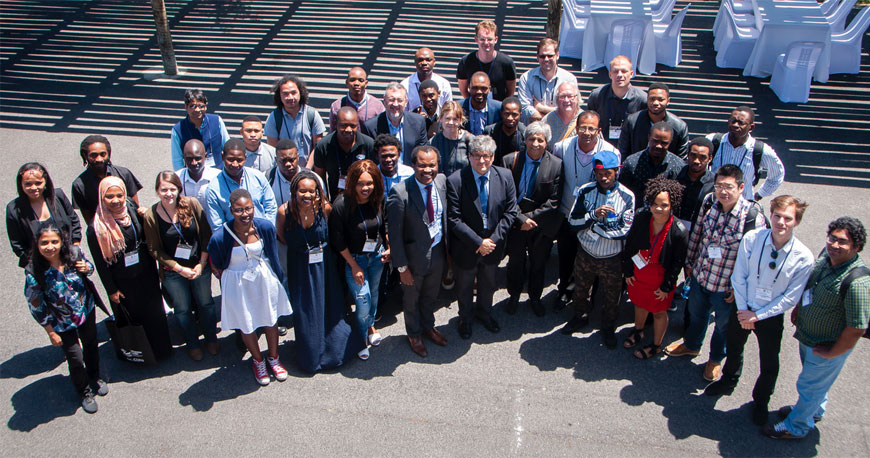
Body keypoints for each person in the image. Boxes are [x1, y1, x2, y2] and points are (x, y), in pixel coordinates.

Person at [704, 196, 814, 426]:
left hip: (770, 315)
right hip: (743, 307)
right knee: (733, 348)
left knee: (770, 362)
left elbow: (791, 297)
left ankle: (761, 401)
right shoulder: (752, 238)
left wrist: (758, 315)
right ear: (770, 215)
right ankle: (729, 380)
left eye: (787, 218)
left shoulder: (803, 257)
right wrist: (744, 310)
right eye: (777, 216)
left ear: (796, 221)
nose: (781, 222)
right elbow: (739, 275)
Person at [763, 217, 870, 439]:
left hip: (827, 346)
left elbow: (856, 328)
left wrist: (833, 353)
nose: (834, 245)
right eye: (832, 238)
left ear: (856, 247)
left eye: (843, 242)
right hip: (809, 337)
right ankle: (813, 411)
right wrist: (800, 309)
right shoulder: (827, 256)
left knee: (809, 386)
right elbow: (812, 286)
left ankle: (796, 427)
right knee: (814, 386)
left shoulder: (857, 282)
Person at [665, 165, 768, 383]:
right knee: (696, 316)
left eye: (728, 187)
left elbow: (754, 259)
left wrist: (740, 289)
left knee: (722, 326)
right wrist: (690, 263)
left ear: (741, 187)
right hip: (702, 275)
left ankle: (715, 360)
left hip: (727, 287)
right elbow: (697, 233)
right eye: (719, 185)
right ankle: (691, 346)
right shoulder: (710, 202)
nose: (722, 191)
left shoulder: (752, 216)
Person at [276, 171, 363, 372]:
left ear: (318, 192)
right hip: (299, 265)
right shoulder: (284, 212)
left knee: (329, 304)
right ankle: (310, 354)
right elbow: (282, 237)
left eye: (312, 191)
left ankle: (335, 348)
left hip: (325, 265)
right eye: (302, 191)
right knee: (305, 308)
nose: (307, 195)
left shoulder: (325, 208)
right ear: (294, 191)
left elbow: (333, 236)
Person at [207, 189, 292, 385]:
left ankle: (273, 358)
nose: (245, 214)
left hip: (262, 278)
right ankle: (258, 361)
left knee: (270, 320)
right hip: (237, 283)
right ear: (231, 210)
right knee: (246, 324)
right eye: (239, 210)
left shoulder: (264, 227)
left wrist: (278, 280)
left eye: (248, 209)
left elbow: (272, 254)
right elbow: (218, 263)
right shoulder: (220, 237)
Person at [87, 176, 172, 360]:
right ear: (102, 198)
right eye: (110, 197)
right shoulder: (96, 228)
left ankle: (161, 352)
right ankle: (142, 355)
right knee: (135, 318)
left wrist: (145, 214)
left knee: (155, 313)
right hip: (123, 282)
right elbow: (100, 264)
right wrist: (111, 290)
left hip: (146, 273)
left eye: (119, 195)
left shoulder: (131, 208)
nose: (116, 201)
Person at [25, 223, 107, 414]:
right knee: (75, 358)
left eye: (54, 241)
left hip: (84, 312)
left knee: (91, 345)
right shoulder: (34, 272)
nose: (50, 246)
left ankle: (94, 377)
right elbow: (35, 305)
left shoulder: (73, 255)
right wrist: (50, 332)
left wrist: (86, 268)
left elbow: (90, 268)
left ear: (62, 242)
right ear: (37, 244)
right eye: (44, 242)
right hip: (60, 322)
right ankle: (84, 392)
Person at [561, 149, 635, 348]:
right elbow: (573, 222)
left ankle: (608, 326)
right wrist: (593, 216)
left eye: (608, 173)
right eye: (599, 172)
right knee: (581, 289)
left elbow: (624, 231)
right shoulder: (586, 190)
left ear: (616, 171)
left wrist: (594, 227)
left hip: (612, 256)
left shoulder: (627, 196)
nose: (603, 177)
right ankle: (580, 316)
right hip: (586, 253)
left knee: (612, 295)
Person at [447, 135, 517, 339]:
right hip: (467, 247)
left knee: (488, 284)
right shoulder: (456, 180)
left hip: (493, 245)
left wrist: (492, 240)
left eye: (486, 156)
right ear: (469, 157)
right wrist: (479, 242)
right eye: (477, 156)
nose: (482, 161)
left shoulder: (505, 176)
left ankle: (485, 314)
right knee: (465, 287)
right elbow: (454, 219)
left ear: (493, 157)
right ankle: (465, 319)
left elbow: (511, 212)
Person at [143, 171, 218, 361]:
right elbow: (154, 249)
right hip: (174, 272)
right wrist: (178, 268)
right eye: (163, 190)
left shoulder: (191, 204)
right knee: (182, 309)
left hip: (198, 266)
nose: (168, 194)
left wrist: (201, 264)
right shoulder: (152, 215)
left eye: (172, 189)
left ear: (179, 189)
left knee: (206, 304)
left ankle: (211, 338)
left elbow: (205, 235)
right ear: (157, 191)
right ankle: (192, 343)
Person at [551, 111, 620, 310]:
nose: (587, 132)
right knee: (566, 256)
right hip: (568, 213)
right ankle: (564, 290)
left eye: (592, 128)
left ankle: (589, 297)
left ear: (599, 131)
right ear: (576, 128)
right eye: (583, 127)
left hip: (594, 217)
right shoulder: (561, 147)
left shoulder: (611, 152)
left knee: (592, 259)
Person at [386, 145, 450, 357]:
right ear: (413, 165)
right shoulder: (400, 192)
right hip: (412, 260)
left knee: (431, 296)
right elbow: (394, 236)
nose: (427, 170)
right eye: (422, 165)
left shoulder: (441, 182)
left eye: (432, 165)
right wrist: (402, 267)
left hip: (438, 253)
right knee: (411, 300)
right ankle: (414, 334)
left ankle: (428, 326)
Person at [621, 177, 689, 359]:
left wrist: (667, 286)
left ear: (672, 205)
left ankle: (656, 345)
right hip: (639, 274)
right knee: (639, 305)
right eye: (655, 204)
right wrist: (627, 271)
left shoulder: (679, 231)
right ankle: (638, 330)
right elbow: (630, 247)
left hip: (660, 279)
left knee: (659, 313)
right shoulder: (642, 218)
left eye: (664, 205)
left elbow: (677, 262)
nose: (658, 208)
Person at [329, 160, 389, 360]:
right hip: (355, 259)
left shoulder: (377, 200)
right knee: (362, 301)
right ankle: (361, 338)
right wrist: (354, 266)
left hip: (377, 257)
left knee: (373, 296)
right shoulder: (342, 204)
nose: (366, 188)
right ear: (352, 183)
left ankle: (370, 326)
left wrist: (388, 247)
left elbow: (383, 227)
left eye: (370, 183)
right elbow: (337, 240)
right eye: (360, 183)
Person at [502, 121, 563, 317]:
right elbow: (505, 196)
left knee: (538, 263)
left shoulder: (556, 165)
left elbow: (554, 200)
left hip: (541, 225)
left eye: (540, 139)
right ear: (524, 140)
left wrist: (531, 220)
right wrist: (521, 219)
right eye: (531, 139)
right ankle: (513, 296)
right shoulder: (509, 161)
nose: (535, 143)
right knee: (516, 262)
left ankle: (535, 298)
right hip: (516, 223)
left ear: (547, 142)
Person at [7, 163, 81, 268]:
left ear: (45, 182)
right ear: (21, 184)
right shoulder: (13, 209)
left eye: (38, 183)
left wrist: (75, 249)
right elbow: (17, 244)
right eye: (28, 184)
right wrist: (38, 264)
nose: (34, 188)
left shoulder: (58, 196)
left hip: (69, 259)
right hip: (41, 267)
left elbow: (74, 221)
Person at [706, 106, 785, 202]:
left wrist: (760, 194)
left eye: (741, 123)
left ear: (751, 127)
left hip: (742, 208)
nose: (735, 125)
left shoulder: (760, 150)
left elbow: (777, 174)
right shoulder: (712, 141)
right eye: (733, 121)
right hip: (712, 203)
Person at [205, 139, 278, 230]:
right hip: (234, 241)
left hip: (261, 236)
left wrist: (265, 230)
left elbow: (271, 207)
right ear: (222, 157)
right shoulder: (213, 189)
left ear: (245, 157)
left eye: (239, 160)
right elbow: (217, 226)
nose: (235, 164)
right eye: (230, 160)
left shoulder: (257, 177)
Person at [71, 135, 142, 226]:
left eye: (102, 154)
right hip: (103, 230)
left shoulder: (124, 173)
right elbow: (88, 219)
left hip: (128, 225)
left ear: (108, 153)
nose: (99, 159)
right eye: (93, 155)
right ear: (85, 155)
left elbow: (135, 206)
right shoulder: (79, 185)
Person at [313, 106, 376, 202]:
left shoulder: (369, 144)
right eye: (344, 125)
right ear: (335, 123)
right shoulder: (323, 146)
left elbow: (375, 175)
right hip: (335, 201)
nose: (348, 129)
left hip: (363, 201)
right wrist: (325, 201)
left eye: (353, 126)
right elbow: (319, 178)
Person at [264, 74, 326, 168]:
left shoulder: (312, 114)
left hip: (308, 170)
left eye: (294, 93)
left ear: (300, 93)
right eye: (285, 94)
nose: (290, 97)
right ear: (279, 96)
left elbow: (317, 146)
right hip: (284, 170)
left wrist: (307, 169)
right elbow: (273, 150)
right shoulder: (274, 118)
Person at [619, 122, 684, 209]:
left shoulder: (678, 166)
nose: (658, 146)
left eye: (664, 143)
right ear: (649, 137)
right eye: (655, 141)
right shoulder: (631, 163)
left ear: (670, 142)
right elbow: (622, 194)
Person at [360, 83, 427, 165]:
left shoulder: (418, 122)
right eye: (391, 100)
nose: (395, 104)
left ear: (406, 102)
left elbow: (422, 153)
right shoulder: (370, 127)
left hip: (410, 173)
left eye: (399, 100)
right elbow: (370, 158)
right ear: (384, 101)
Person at [618, 82, 689, 159]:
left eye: (660, 99)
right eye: (652, 99)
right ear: (647, 99)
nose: (655, 103)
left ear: (668, 101)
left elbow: (681, 158)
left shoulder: (680, 126)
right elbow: (623, 152)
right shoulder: (632, 121)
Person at [585, 55, 647, 142]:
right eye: (615, 71)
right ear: (610, 74)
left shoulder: (642, 99)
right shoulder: (597, 96)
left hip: (630, 148)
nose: (620, 75)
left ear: (632, 74)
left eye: (624, 71)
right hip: (602, 146)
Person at [517, 38, 578, 124]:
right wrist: (556, 113)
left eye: (550, 56)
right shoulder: (526, 78)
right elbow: (524, 109)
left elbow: (571, 110)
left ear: (557, 55)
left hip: (561, 131)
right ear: (537, 57)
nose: (546, 59)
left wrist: (541, 108)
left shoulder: (569, 79)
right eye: (542, 56)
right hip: (534, 132)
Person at [456, 19, 517, 101]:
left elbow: (510, 92)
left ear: (496, 39)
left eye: (489, 39)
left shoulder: (507, 63)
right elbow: (463, 90)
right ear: (476, 39)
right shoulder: (466, 62)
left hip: (498, 108)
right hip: (474, 107)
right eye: (482, 39)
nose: (486, 43)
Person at [170, 89, 230, 170]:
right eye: (192, 106)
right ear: (186, 107)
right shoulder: (178, 129)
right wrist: (182, 179)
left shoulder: (217, 121)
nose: (197, 110)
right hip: (192, 175)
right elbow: (177, 160)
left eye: (201, 106)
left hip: (218, 171)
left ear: (206, 106)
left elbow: (227, 147)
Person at [329, 67, 385, 132]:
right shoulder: (337, 106)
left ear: (366, 83)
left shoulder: (377, 106)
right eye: (352, 80)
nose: (356, 83)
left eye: (361, 80)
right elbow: (332, 133)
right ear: (347, 82)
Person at [675, 137, 715, 229]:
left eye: (702, 157)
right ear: (687, 155)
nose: (697, 161)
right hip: (673, 230)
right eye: (693, 155)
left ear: (710, 158)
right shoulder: (675, 176)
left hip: (699, 233)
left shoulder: (713, 184)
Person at [402, 47, 453, 113]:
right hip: (413, 122)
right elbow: (402, 113)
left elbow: (448, 111)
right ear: (415, 62)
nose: (424, 63)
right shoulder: (404, 85)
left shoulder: (444, 84)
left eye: (428, 60)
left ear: (434, 62)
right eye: (420, 60)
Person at [429, 101, 473, 177]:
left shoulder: (470, 140)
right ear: (441, 118)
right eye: (447, 118)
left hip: (462, 186)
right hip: (442, 186)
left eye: (455, 119)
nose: (451, 122)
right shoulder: (433, 142)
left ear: (460, 120)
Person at [175, 139, 221, 212]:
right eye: (189, 159)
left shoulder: (218, 177)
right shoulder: (176, 178)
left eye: (197, 158)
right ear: (184, 158)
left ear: (205, 156)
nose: (194, 163)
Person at [482, 96, 525, 165]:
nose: (510, 118)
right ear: (501, 113)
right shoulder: (490, 132)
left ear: (520, 115)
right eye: (506, 114)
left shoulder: (525, 134)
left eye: (514, 115)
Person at [460, 72, 502, 136]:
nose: (479, 91)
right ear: (469, 88)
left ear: (489, 89)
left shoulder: (499, 108)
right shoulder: (459, 107)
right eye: (475, 88)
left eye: (483, 88)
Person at [542, 81, 581, 146]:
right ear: (557, 99)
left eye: (570, 96)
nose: (566, 100)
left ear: (577, 98)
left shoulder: (585, 119)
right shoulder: (548, 120)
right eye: (562, 96)